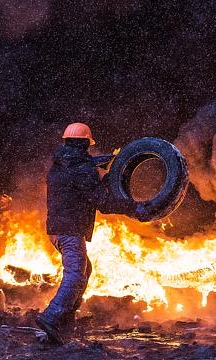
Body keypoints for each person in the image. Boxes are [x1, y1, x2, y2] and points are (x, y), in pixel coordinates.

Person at [35, 122, 148, 344]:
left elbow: (80, 169)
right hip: (70, 230)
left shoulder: (59, 164)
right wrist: (133, 207)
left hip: (57, 230)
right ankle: (52, 315)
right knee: (76, 273)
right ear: (86, 143)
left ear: (67, 142)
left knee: (85, 269)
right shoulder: (83, 169)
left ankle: (64, 320)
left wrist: (104, 164)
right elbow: (103, 202)